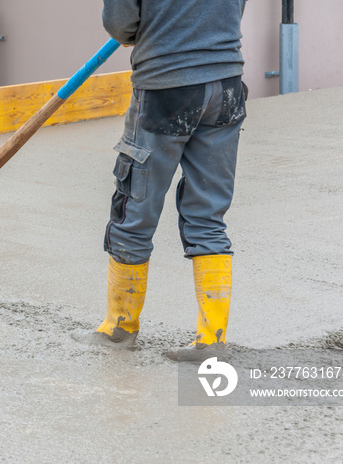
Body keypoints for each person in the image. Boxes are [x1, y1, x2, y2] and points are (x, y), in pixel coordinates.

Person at [72, 0, 248, 361]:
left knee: (135, 209)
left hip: (166, 87)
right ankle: (212, 340)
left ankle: (119, 328)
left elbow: (121, 24)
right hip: (226, 86)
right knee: (208, 214)